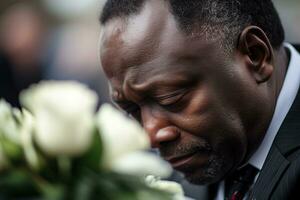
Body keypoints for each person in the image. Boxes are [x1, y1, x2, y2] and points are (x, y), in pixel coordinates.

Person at [98, 0, 300, 199]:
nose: (150, 135)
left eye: (170, 99)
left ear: (255, 56)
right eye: (131, 109)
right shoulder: (184, 166)